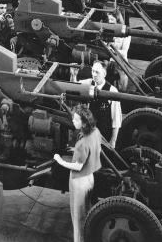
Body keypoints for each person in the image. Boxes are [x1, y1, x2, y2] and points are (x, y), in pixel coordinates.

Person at [54, 105, 103, 242]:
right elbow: (96, 151)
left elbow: (77, 166)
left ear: (84, 122)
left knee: (77, 219)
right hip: (90, 178)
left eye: (76, 119)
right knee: (86, 214)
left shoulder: (82, 143)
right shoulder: (96, 132)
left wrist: (59, 160)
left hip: (79, 182)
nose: (73, 121)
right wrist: (76, 150)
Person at [78, 60, 122, 148]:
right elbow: (75, 83)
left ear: (104, 74)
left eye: (97, 72)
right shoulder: (89, 84)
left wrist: (112, 141)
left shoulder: (112, 91)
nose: (94, 74)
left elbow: (116, 120)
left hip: (104, 137)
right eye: (93, 71)